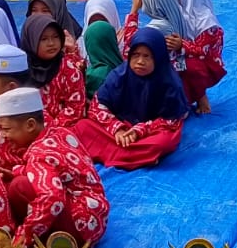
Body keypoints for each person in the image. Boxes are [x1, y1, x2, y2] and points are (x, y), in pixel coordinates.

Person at [0, 86, 109, 246]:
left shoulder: (39, 154)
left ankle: (49, 244)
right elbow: (58, 171)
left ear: (30, 125)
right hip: (96, 218)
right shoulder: (61, 132)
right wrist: (17, 171)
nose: (3, 136)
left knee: (18, 187)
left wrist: (22, 239)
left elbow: (52, 198)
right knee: (17, 180)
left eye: (6, 129)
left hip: (80, 228)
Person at [76, 27, 192, 169]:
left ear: (159, 57)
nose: (140, 61)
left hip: (149, 132)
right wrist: (117, 129)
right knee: (82, 127)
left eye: (147, 56)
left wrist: (140, 130)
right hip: (120, 130)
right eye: (135, 55)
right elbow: (97, 105)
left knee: (162, 141)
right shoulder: (119, 75)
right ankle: (138, 157)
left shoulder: (169, 82)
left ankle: (127, 154)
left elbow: (171, 120)